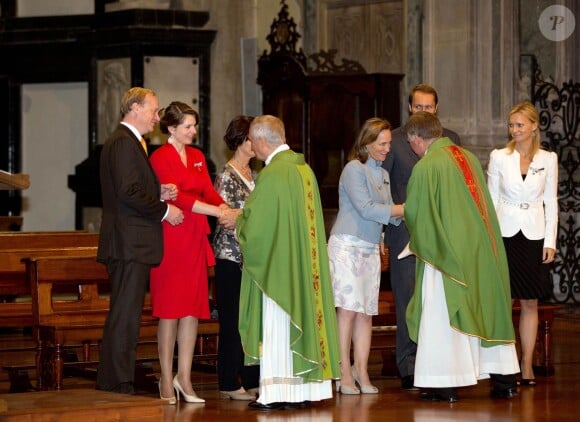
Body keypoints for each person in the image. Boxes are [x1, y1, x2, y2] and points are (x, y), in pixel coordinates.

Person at [403, 111, 520, 402]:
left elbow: (416, 214)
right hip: (482, 251)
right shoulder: (468, 158)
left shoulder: (427, 166)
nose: (413, 148)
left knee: (442, 315)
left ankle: (445, 385)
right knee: (485, 310)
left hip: (447, 256)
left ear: (418, 138)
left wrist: (420, 244)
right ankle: (504, 381)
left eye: (411, 142)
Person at [237, 115, 341, 410]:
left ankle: (278, 392)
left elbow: (256, 224)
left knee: (279, 327)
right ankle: (302, 392)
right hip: (303, 268)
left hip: (281, 270)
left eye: (253, 142)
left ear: (260, 140)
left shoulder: (274, 174)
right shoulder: (303, 169)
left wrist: (240, 219)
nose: (253, 149)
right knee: (301, 322)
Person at [96, 87, 184, 394]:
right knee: (125, 314)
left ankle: (113, 378)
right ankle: (118, 381)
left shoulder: (130, 142)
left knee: (125, 312)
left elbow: (131, 187)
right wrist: (164, 210)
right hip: (128, 242)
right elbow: (126, 192)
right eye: (153, 110)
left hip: (131, 240)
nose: (157, 117)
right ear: (134, 108)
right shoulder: (123, 142)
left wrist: (158, 190)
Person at [148, 101, 237, 404]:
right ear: (171, 128)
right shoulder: (160, 157)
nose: (193, 130)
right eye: (187, 125)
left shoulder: (198, 156)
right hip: (172, 237)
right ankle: (164, 374)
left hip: (196, 236)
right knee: (170, 310)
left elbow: (207, 189)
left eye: (194, 125)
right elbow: (182, 199)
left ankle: (184, 377)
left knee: (192, 310)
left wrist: (224, 206)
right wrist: (216, 210)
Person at [381, 83, 461, 390]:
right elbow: (383, 183)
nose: (423, 112)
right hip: (406, 235)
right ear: (409, 109)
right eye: (418, 107)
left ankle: (440, 363)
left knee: (438, 301)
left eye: (428, 107)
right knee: (408, 301)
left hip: (442, 237)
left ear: (436, 109)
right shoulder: (396, 140)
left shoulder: (451, 140)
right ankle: (409, 365)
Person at [328, 117, 404, 395]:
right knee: (347, 311)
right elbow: (367, 209)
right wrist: (405, 209)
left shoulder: (382, 174)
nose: (387, 149)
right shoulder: (353, 169)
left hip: (370, 248)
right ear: (367, 143)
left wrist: (400, 219)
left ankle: (361, 370)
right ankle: (342, 371)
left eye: (388, 143)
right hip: (347, 245)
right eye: (382, 144)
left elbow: (386, 214)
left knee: (366, 314)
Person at [487, 101, 558, 386]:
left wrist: (550, 240)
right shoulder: (499, 157)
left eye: (519, 124)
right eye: (511, 125)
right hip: (504, 233)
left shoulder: (548, 159)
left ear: (533, 126)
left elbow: (551, 201)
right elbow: (491, 200)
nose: (514, 129)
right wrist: (489, 237)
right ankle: (505, 365)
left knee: (530, 302)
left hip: (534, 235)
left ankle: (526, 363)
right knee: (504, 300)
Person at [212, 116, 259, 401]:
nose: (257, 143)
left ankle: (252, 377)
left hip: (253, 258)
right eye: (252, 137)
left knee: (251, 320)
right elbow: (224, 219)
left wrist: (245, 216)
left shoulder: (257, 175)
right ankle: (228, 380)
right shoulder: (227, 176)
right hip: (230, 257)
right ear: (241, 140)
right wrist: (250, 215)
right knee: (231, 320)